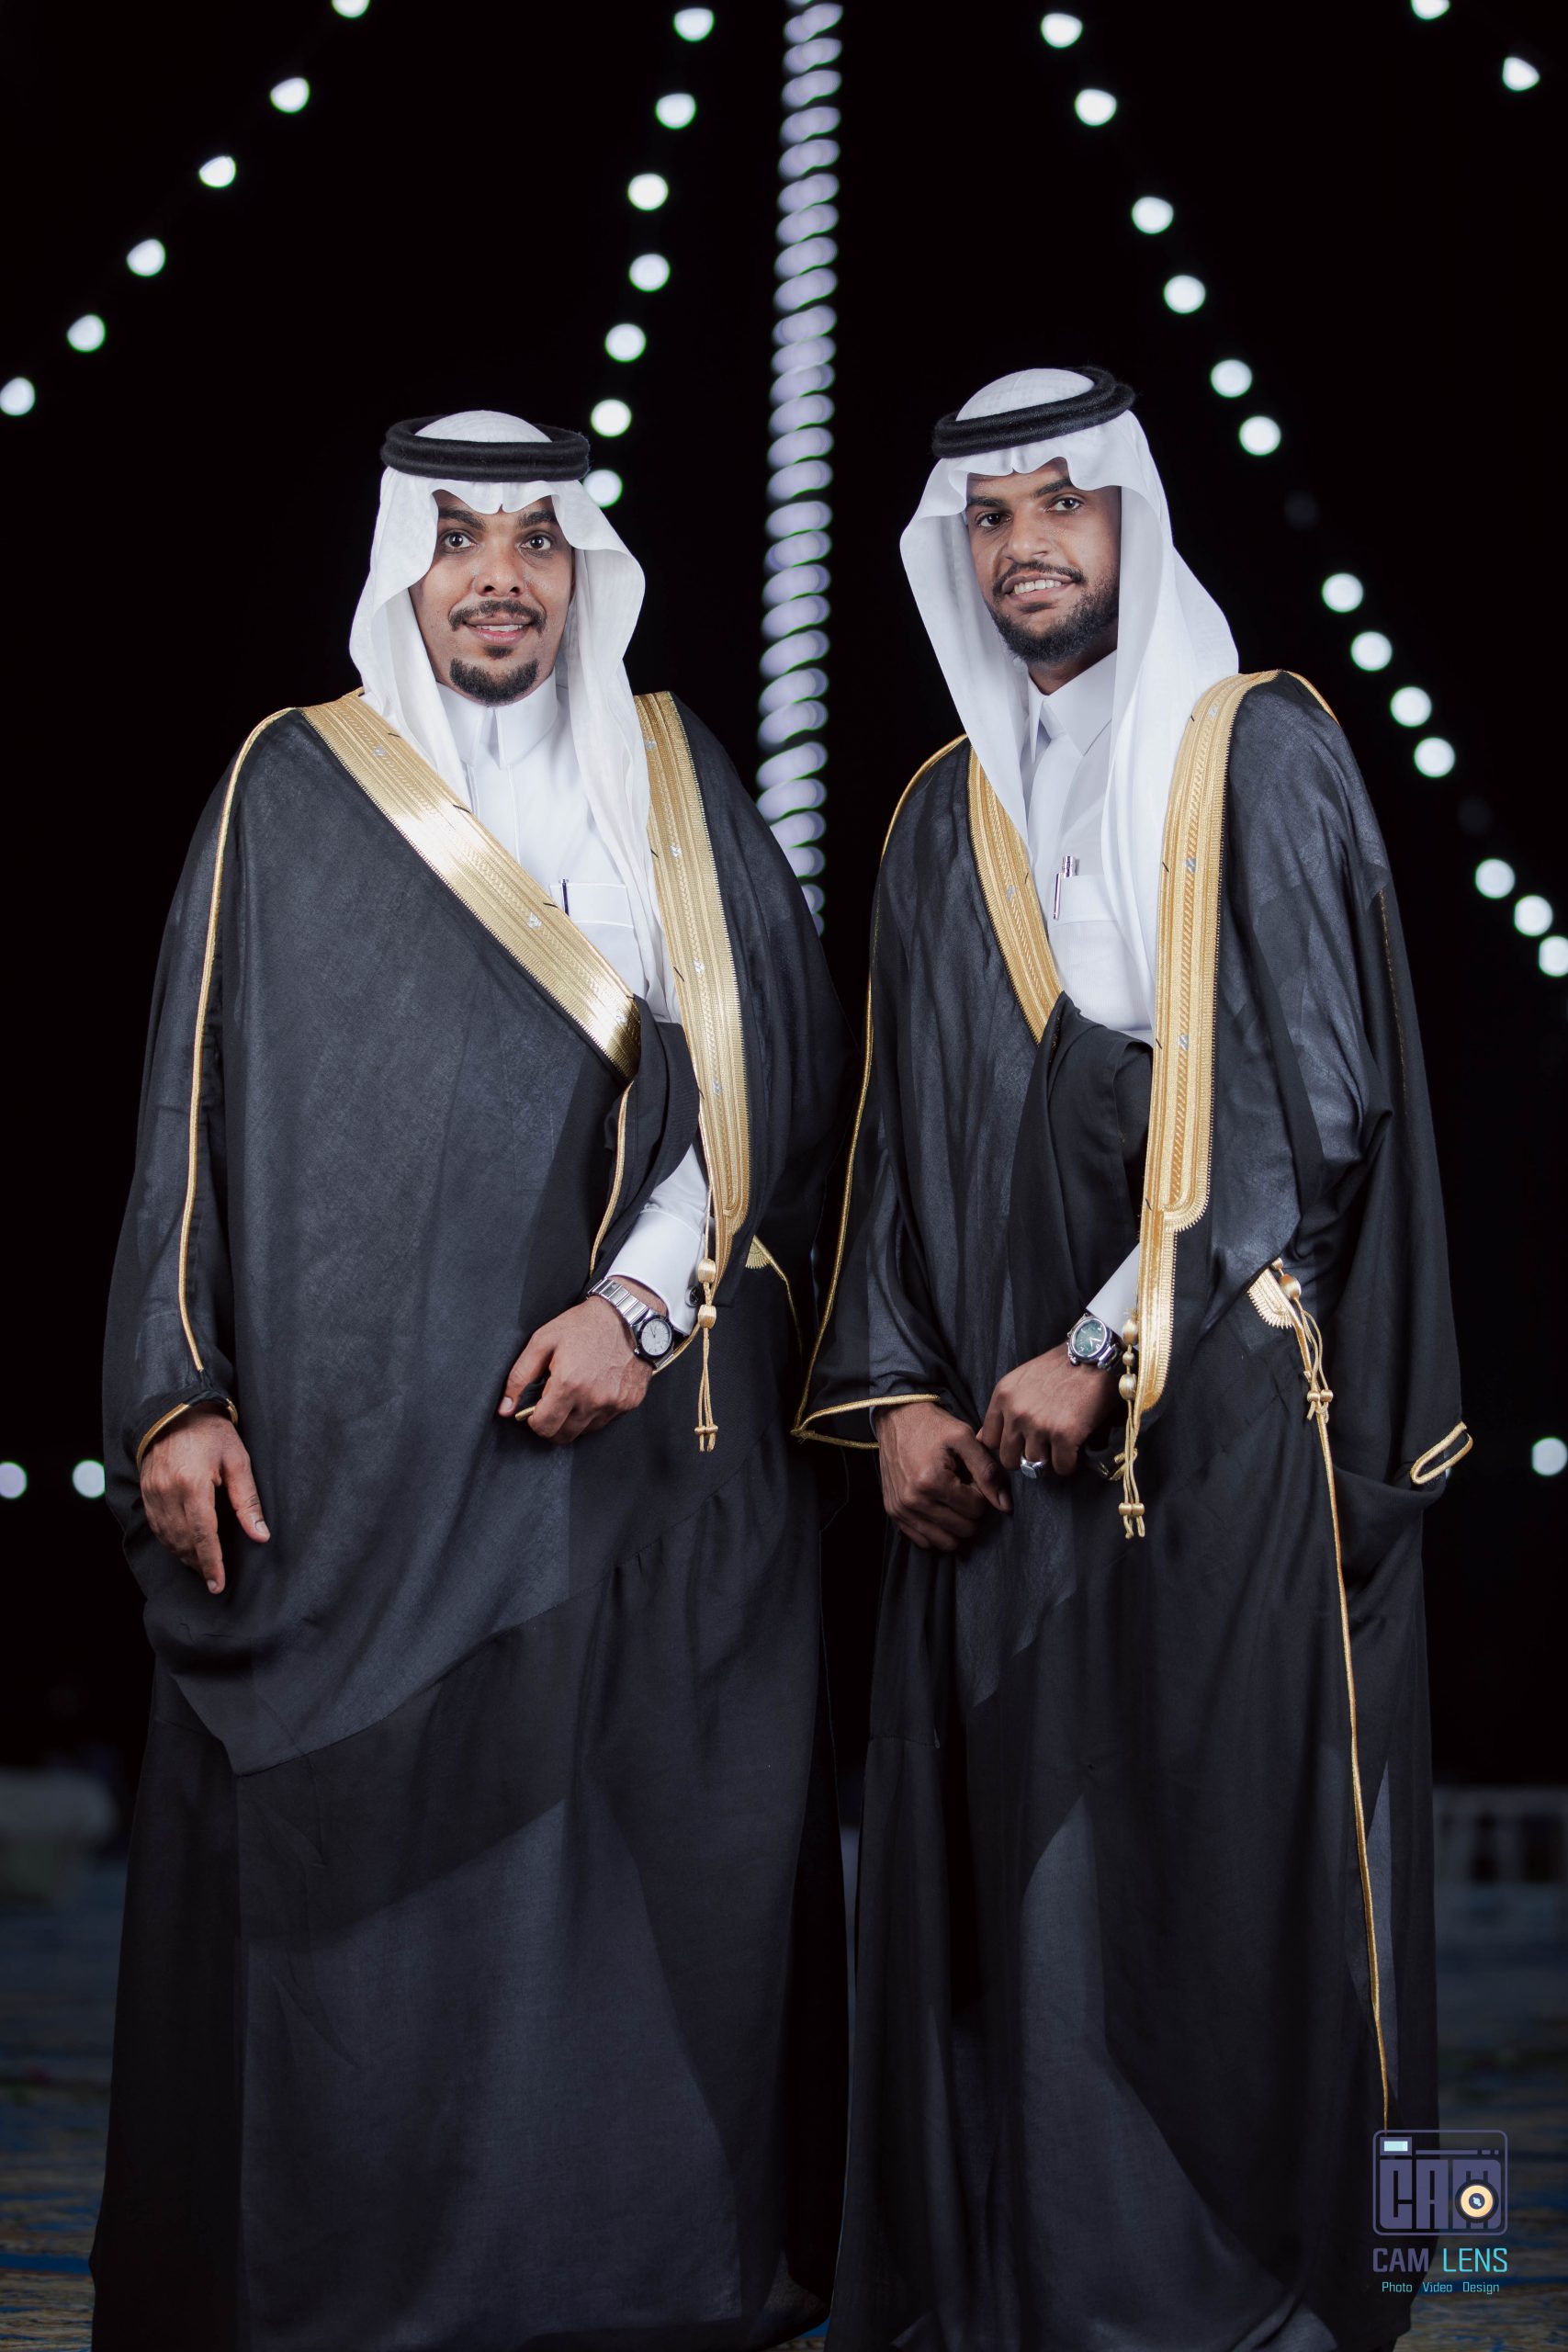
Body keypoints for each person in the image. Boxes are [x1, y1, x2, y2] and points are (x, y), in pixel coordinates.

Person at [96, 410, 850, 2352]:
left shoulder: (671, 778)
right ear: (400, 572)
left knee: (617, 1910)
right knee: (366, 1934)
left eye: (532, 538)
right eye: (455, 540)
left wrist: (642, 1305)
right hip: (346, 1478)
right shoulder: (289, 784)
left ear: (583, 567)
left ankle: (632, 2296)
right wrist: (177, 1391)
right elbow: (189, 1112)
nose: (497, 576)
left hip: (626, 1474)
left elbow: (772, 1077)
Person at [798, 367, 1469, 2351]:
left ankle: (1419, 2280)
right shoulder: (939, 814)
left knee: (1298, 1883)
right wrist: (896, 1396)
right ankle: (1056, 2310)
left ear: (1132, 519)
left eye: (1062, 502)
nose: (1026, 545)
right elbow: (896, 1141)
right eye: (990, 515)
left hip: (1234, 1426)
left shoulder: (1261, 743)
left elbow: (1309, 1106)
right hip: (995, 1460)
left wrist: (1105, 1336)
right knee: (1030, 1891)